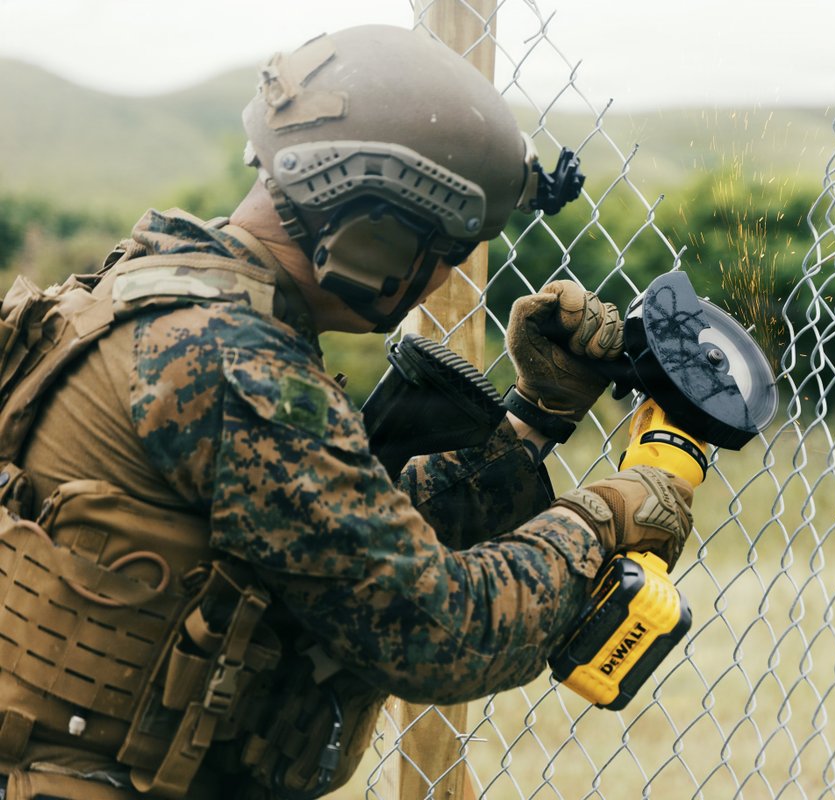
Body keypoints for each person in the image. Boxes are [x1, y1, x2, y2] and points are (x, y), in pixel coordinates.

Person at [0, 24, 693, 800]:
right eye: (446, 253)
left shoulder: (144, 296)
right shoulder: (237, 367)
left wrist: (533, 420)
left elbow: (332, 539)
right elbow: (437, 632)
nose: (438, 281)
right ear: (377, 233)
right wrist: (603, 519)